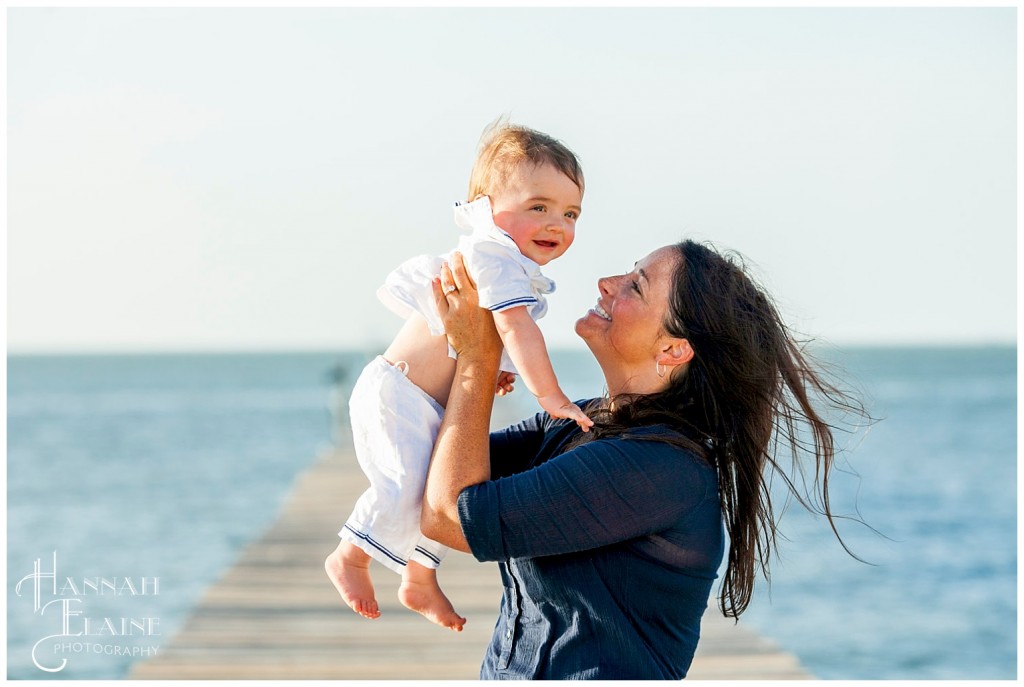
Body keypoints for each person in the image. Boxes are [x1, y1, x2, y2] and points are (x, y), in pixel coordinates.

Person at [420, 242, 864, 679]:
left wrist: (478, 358)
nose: (607, 283)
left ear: (673, 350)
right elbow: (431, 467)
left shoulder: (658, 468)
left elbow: (449, 514)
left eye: (635, 286)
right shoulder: (580, 422)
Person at [324, 122, 593, 632]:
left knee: (440, 494)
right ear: (487, 208)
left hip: (426, 399)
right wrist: (550, 395)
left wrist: (495, 372)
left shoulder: (509, 262)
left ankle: (419, 577)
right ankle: (350, 555)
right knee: (403, 486)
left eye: (570, 212)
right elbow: (514, 327)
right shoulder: (492, 254)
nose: (557, 222)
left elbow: (485, 336)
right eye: (539, 206)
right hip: (398, 393)